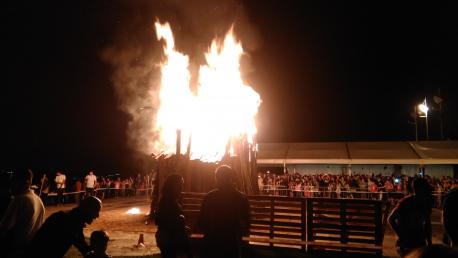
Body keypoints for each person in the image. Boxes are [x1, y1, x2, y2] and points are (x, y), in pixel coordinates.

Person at [199, 165, 250, 258]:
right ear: (231, 178)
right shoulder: (241, 198)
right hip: (232, 241)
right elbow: (246, 223)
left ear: (217, 179)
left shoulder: (210, 197)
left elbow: (202, 222)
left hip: (212, 240)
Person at [27, 196, 102, 258]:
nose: (97, 215)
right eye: (96, 210)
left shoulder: (73, 220)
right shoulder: (67, 221)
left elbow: (83, 247)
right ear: (87, 209)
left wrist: (97, 248)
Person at [0, 168, 45, 258]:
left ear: (26, 182)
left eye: (15, 181)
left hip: (17, 251)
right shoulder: (38, 200)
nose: (12, 185)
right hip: (33, 250)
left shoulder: (19, 199)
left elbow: (4, 228)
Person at [388, 177, 433, 257]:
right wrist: (401, 235)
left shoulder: (424, 203)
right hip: (408, 243)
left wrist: (401, 235)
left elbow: (427, 224)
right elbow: (390, 219)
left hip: (416, 241)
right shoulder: (406, 202)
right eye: (426, 188)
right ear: (420, 189)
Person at [155, 174, 191, 258]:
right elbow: (164, 221)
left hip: (166, 236)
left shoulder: (168, 200)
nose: (181, 189)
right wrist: (180, 221)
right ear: (174, 187)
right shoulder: (168, 202)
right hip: (168, 237)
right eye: (180, 186)